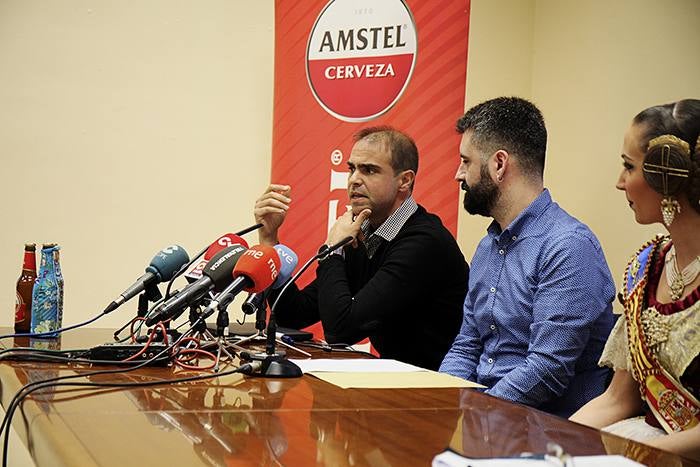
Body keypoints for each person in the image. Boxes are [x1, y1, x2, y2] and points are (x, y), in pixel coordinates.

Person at [439, 97, 616, 417]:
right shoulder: (487, 248)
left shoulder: (569, 247)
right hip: (488, 415)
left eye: (466, 161)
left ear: (499, 164)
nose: (458, 174)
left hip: (546, 428)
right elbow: (467, 347)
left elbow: (547, 369)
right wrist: (440, 402)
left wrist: (477, 409)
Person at [254, 126, 469, 370]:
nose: (354, 179)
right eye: (351, 169)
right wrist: (269, 240)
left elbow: (341, 330)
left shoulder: (424, 243)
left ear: (404, 180)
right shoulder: (364, 234)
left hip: (440, 391)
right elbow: (293, 314)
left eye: (369, 170)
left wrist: (332, 250)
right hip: (398, 382)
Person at [570, 99, 700, 462]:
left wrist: (633, 455)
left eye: (629, 167)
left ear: (667, 176)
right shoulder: (647, 266)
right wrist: (554, 442)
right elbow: (617, 399)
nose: (619, 182)